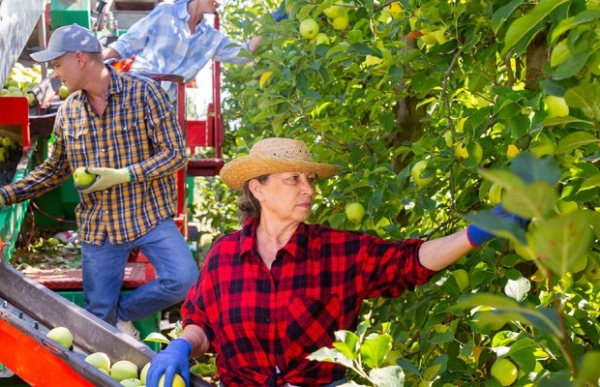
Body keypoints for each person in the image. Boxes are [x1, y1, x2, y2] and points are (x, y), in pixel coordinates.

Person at [145, 137, 529, 387]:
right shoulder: (225, 254)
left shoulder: (339, 251)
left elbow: (410, 261)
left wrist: (474, 234)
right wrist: (181, 345)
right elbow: (203, 324)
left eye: (311, 179)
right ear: (258, 189)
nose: (309, 189)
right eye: (293, 179)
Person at [0, 24, 199, 338]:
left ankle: (124, 314)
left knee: (184, 279)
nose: (55, 73)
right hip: (100, 225)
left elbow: (175, 154)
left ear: (79, 58)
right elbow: (55, 169)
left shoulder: (144, 93)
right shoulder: (68, 113)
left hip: (147, 217)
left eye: (56, 64)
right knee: (98, 320)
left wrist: (123, 175)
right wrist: (6, 195)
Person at [102, 0, 286, 100]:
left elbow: (244, 53)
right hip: (139, 91)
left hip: (168, 102)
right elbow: (127, 43)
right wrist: (96, 61)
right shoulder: (167, 12)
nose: (220, 3)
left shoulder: (210, 37)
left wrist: (271, 22)